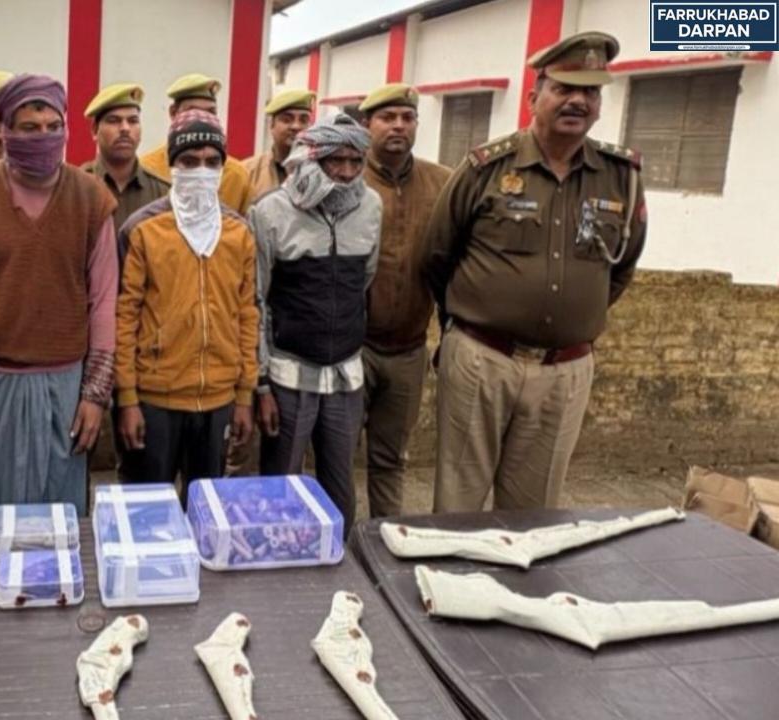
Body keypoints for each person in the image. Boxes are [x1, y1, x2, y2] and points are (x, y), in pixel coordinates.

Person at [422, 32, 646, 512]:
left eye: (590, 92)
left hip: (565, 371)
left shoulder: (620, 177)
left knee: (534, 515)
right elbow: (437, 254)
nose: (577, 101)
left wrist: (570, 314)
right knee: (457, 507)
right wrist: (467, 321)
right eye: (563, 88)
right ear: (533, 98)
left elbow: (621, 267)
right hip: (482, 359)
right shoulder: (485, 167)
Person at [0, 74, 118, 517]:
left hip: (63, 388)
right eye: (30, 128)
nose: (44, 137)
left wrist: (95, 394)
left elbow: (104, 302)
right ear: (6, 130)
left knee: (55, 516)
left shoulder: (92, 199)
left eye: (54, 127)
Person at [114, 110, 258, 493]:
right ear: (172, 165)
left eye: (212, 162)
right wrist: (127, 399)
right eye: (189, 162)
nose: (201, 171)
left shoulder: (239, 233)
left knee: (206, 506)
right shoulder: (142, 230)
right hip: (154, 398)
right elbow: (124, 319)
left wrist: (244, 395)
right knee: (148, 507)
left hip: (219, 399)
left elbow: (247, 315)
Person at [252, 114, 381, 529]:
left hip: (346, 374)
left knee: (340, 491)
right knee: (280, 488)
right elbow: (256, 299)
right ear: (311, 159)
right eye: (334, 160)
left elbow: (364, 279)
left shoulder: (371, 206)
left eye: (355, 161)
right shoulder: (271, 211)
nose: (345, 172)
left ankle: (339, 562)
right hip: (289, 375)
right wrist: (261, 384)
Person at [358, 83, 451, 518]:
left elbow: (455, 263)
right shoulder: (346, 176)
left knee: (391, 458)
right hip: (353, 349)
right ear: (367, 124)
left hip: (409, 350)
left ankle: (385, 536)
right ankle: (337, 540)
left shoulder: (443, 183)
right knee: (336, 454)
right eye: (387, 117)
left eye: (407, 117)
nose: (398, 126)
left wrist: (448, 333)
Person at [139, 73, 253, 216]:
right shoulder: (147, 169)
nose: (202, 119)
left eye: (210, 112)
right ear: (173, 113)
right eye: (193, 112)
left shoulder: (236, 176)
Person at [83, 83, 170, 230]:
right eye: (114, 120)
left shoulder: (162, 192)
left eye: (133, 121)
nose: (125, 128)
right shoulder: (76, 188)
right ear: (94, 130)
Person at [243, 88, 315, 200]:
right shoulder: (247, 171)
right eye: (287, 120)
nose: (296, 126)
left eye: (303, 120)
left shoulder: (321, 171)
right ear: (272, 125)